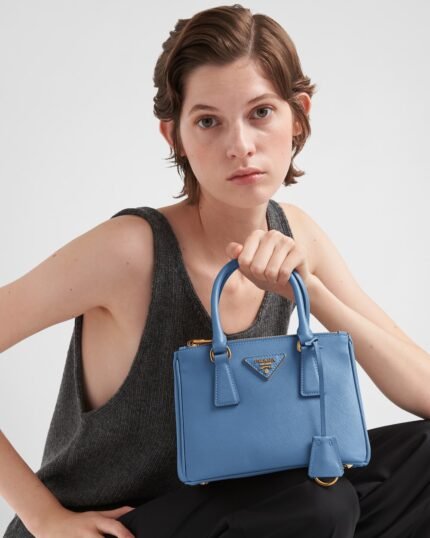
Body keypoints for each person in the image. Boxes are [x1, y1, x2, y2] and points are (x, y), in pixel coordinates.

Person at [1, 3, 429, 538]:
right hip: (115, 528)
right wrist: (44, 517)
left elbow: (423, 390)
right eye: (208, 122)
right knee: (319, 505)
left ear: (298, 115)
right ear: (174, 136)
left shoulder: (297, 233)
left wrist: (311, 293)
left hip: (243, 515)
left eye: (261, 112)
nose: (239, 146)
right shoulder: (131, 250)